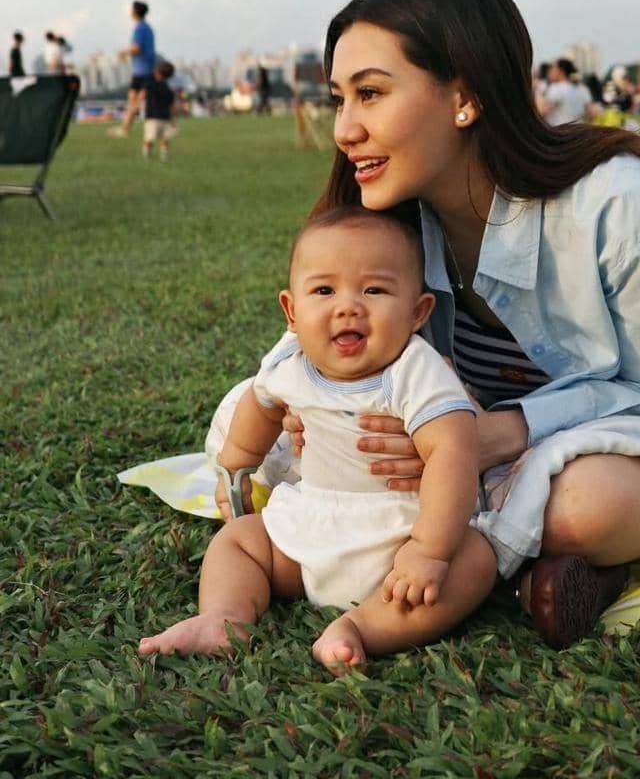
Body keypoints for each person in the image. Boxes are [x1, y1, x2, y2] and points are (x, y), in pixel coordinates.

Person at [268, 0, 640, 650]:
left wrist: (504, 432)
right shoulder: (390, 225)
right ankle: (541, 572)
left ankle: (577, 558)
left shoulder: (627, 208)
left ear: (465, 96)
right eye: (338, 100)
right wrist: (314, 411)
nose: (344, 130)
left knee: (578, 506)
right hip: (477, 452)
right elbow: (328, 346)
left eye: (371, 95)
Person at [139, 208, 495, 670]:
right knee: (238, 542)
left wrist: (428, 550)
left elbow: (452, 453)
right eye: (324, 290)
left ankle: (360, 627)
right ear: (291, 311)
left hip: (399, 544)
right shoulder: (291, 365)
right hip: (307, 529)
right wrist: (237, 465)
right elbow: (259, 405)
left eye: (374, 290)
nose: (348, 306)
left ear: (417, 312)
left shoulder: (417, 373)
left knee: (476, 561)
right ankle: (224, 618)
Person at [110, 1, 155, 138]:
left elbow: (137, 48)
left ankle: (125, 128)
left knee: (136, 101)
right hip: (143, 69)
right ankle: (125, 128)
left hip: (143, 71)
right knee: (134, 100)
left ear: (135, 12)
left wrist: (123, 52)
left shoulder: (140, 29)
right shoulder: (147, 27)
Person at [142, 60, 177, 162]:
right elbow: (172, 106)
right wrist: (173, 120)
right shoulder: (168, 89)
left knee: (150, 138)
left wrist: (135, 106)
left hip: (152, 118)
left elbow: (143, 94)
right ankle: (163, 156)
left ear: (157, 71)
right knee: (165, 139)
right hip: (165, 118)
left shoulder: (149, 83)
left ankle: (147, 156)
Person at [541, 58, 591, 126]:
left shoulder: (556, 88)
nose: (550, 71)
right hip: (578, 131)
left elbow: (543, 112)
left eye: (553, 68)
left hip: (559, 132)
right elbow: (591, 112)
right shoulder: (582, 88)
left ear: (561, 71)